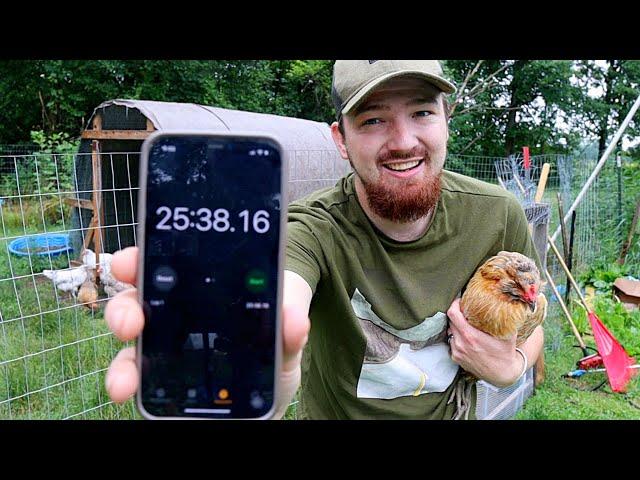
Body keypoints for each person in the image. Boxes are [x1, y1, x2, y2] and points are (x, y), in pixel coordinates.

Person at [104, 60, 544, 420]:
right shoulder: (314, 227)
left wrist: (512, 365)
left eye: (422, 112)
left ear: (446, 120)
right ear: (341, 139)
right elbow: (285, 293)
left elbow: (533, 324)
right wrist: (253, 347)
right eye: (373, 119)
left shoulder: (496, 215)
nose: (404, 141)